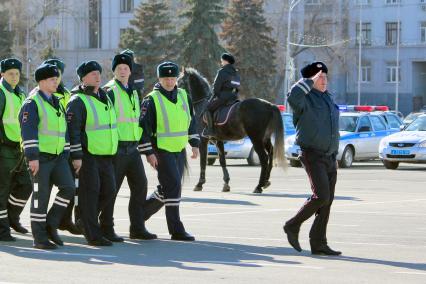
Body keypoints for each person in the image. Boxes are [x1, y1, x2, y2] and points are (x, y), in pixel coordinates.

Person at [283, 61, 341, 256]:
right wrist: (309, 81)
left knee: (328, 201)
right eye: (319, 77)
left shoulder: (328, 98)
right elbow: (292, 97)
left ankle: (319, 243)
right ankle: (292, 225)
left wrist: (334, 153)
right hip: (312, 154)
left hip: (330, 157)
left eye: (325, 76)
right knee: (321, 196)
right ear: (309, 80)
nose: (324, 80)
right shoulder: (304, 99)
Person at [140, 61, 199, 241]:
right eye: (166, 78)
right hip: (161, 150)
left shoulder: (183, 96)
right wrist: (149, 153)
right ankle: (176, 229)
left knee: (168, 188)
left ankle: (139, 215)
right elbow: (143, 128)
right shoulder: (151, 99)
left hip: (179, 149)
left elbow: (191, 120)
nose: (169, 81)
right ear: (159, 78)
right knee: (174, 185)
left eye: (172, 78)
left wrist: (194, 143)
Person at [100, 54, 156, 242]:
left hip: (132, 150)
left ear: (130, 71)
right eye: (119, 68)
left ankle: (137, 228)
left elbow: (136, 121)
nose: (123, 71)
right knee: (111, 190)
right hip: (116, 149)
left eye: (126, 68)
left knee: (140, 187)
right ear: (114, 71)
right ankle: (106, 227)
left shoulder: (133, 91)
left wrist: (146, 150)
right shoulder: (109, 91)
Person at [19, 63, 75, 249]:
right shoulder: (32, 103)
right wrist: (32, 157)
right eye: (52, 79)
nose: (56, 81)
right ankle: (39, 238)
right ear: (42, 82)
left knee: (68, 188)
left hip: (58, 158)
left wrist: (66, 153)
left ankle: (51, 223)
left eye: (57, 78)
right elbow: (28, 132)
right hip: (40, 159)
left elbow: (63, 130)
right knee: (39, 197)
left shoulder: (56, 101)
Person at [67, 61, 118, 246]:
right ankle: (92, 234)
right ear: (83, 78)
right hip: (88, 156)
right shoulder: (78, 100)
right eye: (92, 74)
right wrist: (77, 156)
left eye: (98, 73)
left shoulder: (105, 96)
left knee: (109, 191)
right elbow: (73, 132)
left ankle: (83, 220)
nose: (97, 76)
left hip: (106, 155)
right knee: (91, 193)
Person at [43, 58, 81, 235]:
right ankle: (44, 225)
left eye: (58, 72)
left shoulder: (66, 94)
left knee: (70, 187)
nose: (55, 76)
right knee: (44, 191)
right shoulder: (42, 95)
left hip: (66, 148)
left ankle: (64, 220)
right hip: (47, 151)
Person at [0, 58, 33, 241]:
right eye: (10, 73)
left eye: (17, 74)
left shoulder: (20, 95)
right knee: (2, 190)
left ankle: (12, 218)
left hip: (19, 149)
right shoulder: (1, 93)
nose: (14, 77)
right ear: (2, 74)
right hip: (3, 149)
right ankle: (2, 230)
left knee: (25, 185)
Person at [204, 53, 240, 137]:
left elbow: (216, 86)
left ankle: (210, 130)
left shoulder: (222, 71)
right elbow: (237, 86)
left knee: (207, 109)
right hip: (234, 98)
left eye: (222, 61)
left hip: (223, 97)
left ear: (225, 61)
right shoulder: (236, 73)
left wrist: (216, 94)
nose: (221, 62)